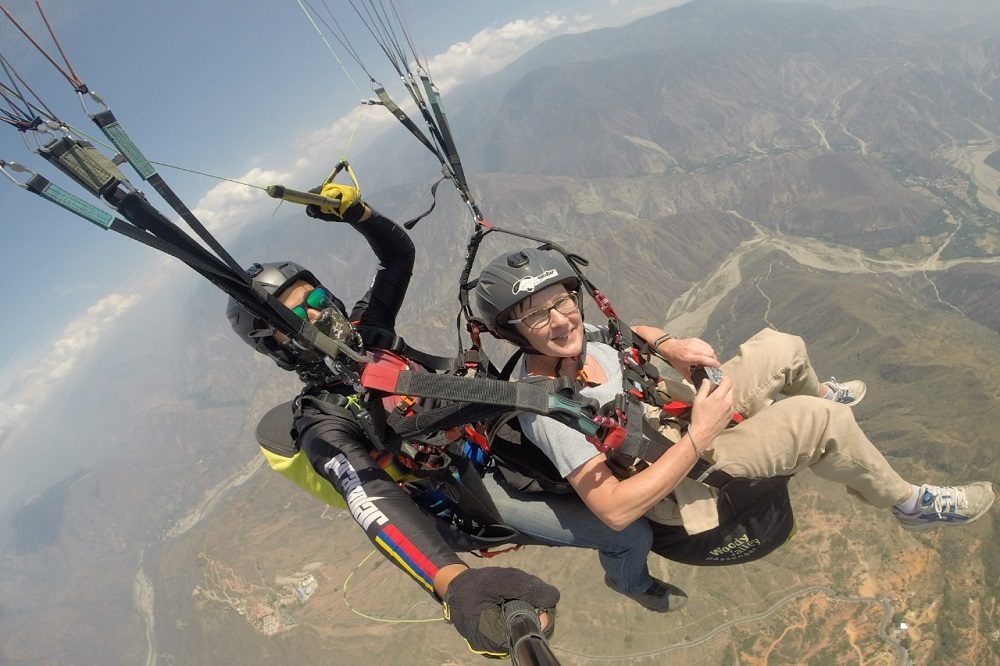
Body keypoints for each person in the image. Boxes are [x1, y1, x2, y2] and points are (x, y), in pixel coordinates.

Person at [224, 184, 677, 654]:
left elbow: (397, 257)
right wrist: (453, 582)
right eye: (294, 316)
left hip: (493, 437)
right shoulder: (325, 424)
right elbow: (373, 502)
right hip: (476, 494)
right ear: (274, 343)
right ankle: (634, 584)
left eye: (315, 295)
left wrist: (361, 214)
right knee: (628, 531)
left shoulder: (369, 333)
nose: (316, 312)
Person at [472, 246, 995, 600]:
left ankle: (811, 395)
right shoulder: (546, 410)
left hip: (676, 420)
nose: (560, 320)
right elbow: (613, 510)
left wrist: (667, 345)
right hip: (685, 475)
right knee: (818, 420)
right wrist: (702, 430)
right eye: (535, 315)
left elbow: (625, 332)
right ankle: (910, 503)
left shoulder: (578, 334)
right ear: (511, 334)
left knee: (782, 346)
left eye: (561, 301)